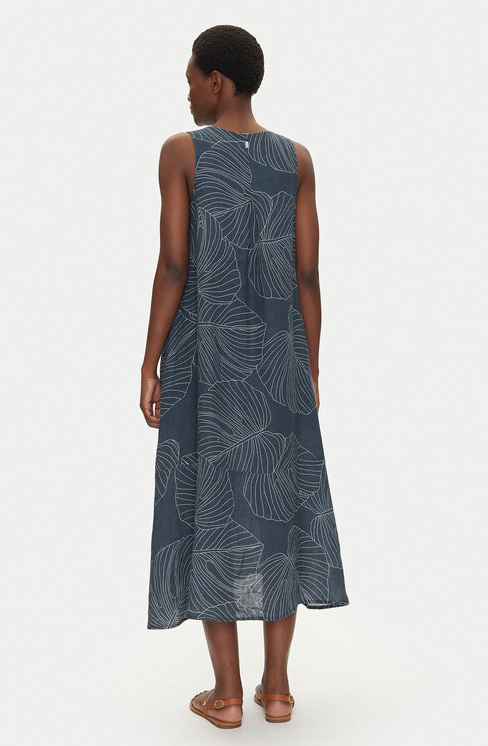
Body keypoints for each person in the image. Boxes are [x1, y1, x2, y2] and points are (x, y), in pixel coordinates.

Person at [139, 24, 350, 729]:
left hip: (206, 358)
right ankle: (278, 689)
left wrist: (149, 360)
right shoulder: (297, 159)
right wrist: (309, 365)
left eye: (191, 79)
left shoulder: (183, 152)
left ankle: (227, 694)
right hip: (280, 358)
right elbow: (309, 274)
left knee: (211, 508)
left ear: (217, 81)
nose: (187, 94)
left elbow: (174, 264)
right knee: (278, 506)